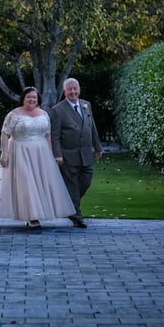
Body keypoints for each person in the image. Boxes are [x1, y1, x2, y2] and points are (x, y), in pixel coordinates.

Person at [0, 86, 76, 228]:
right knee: (26, 183)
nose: (32, 99)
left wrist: (51, 155)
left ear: (38, 99)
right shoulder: (13, 114)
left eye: (34, 97)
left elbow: (48, 135)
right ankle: (31, 217)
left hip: (40, 152)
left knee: (39, 183)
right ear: (23, 99)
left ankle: (38, 214)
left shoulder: (44, 114)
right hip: (19, 151)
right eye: (29, 97)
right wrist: (5, 153)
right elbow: (5, 133)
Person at [48, 78, 103, 228]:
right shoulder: (57, 110)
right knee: (71, 185)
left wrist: (97, 147)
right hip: (67, 155)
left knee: (86, 180)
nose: (73, 92)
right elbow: (55, 135)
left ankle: (67, 203)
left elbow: (92, 128)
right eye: (69, 89)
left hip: (85, 153)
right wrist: (57, 154)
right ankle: (77, 216)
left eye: (75, 88)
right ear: (64, 92)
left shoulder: (86, 105)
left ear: (79, 89)